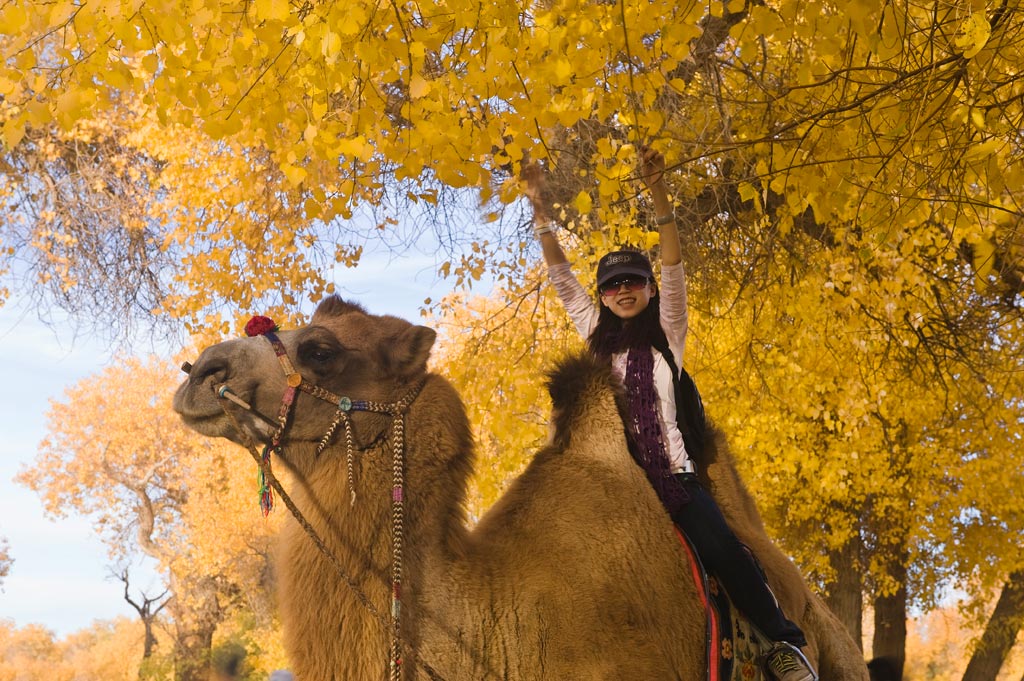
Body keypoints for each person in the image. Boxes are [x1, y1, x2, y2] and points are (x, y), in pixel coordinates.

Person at [522, 147, 818, 681]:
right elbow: (563, 278)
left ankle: (786, 644)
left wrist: (658, 192)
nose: (622, 290)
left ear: (650, 289)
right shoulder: (595, 338)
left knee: (724, 550)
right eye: (612, 285)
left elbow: (675, 264)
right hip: (613, 486)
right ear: (604, 299)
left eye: (633, 281)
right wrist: (538, 208)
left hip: (675, 485)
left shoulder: (668, 335)